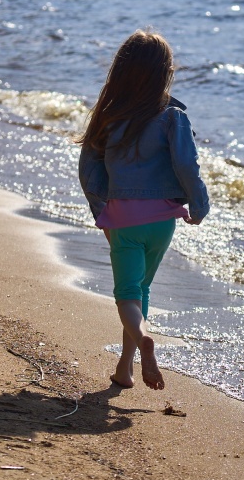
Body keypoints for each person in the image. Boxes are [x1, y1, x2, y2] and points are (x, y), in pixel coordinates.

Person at [78, 30, 210, 391]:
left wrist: (101, 212)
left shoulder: (109, 116)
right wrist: (199, 204)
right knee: (143, 288)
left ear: (120, 72)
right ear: (165, 73)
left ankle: (143, 341)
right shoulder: (173, 117)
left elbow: (89, 169)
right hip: (163, 220)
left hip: (123, 218)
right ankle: (124, 367)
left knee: (127, 294)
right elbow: (187, 165)